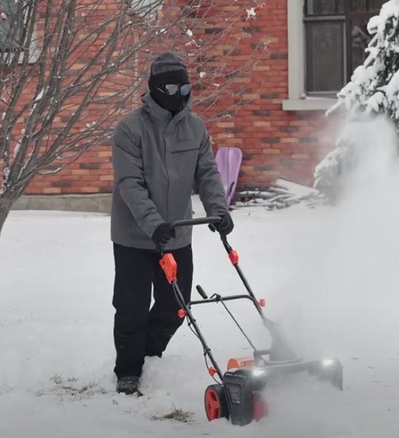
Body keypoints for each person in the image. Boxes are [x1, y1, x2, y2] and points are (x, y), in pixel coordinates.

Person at [109, 52, 233, 395]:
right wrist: (152, 223)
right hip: (134, 236)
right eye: (172, 87)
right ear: (155, 89)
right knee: (131, 307)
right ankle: (129, 370)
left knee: (176, 306)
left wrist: (219, 210)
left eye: (185, 86)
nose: (180, 93)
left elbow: (207, 173)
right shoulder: (130, 129)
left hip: (177, 234)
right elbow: (129, 184)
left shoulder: (195, 128)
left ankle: (150, 355)